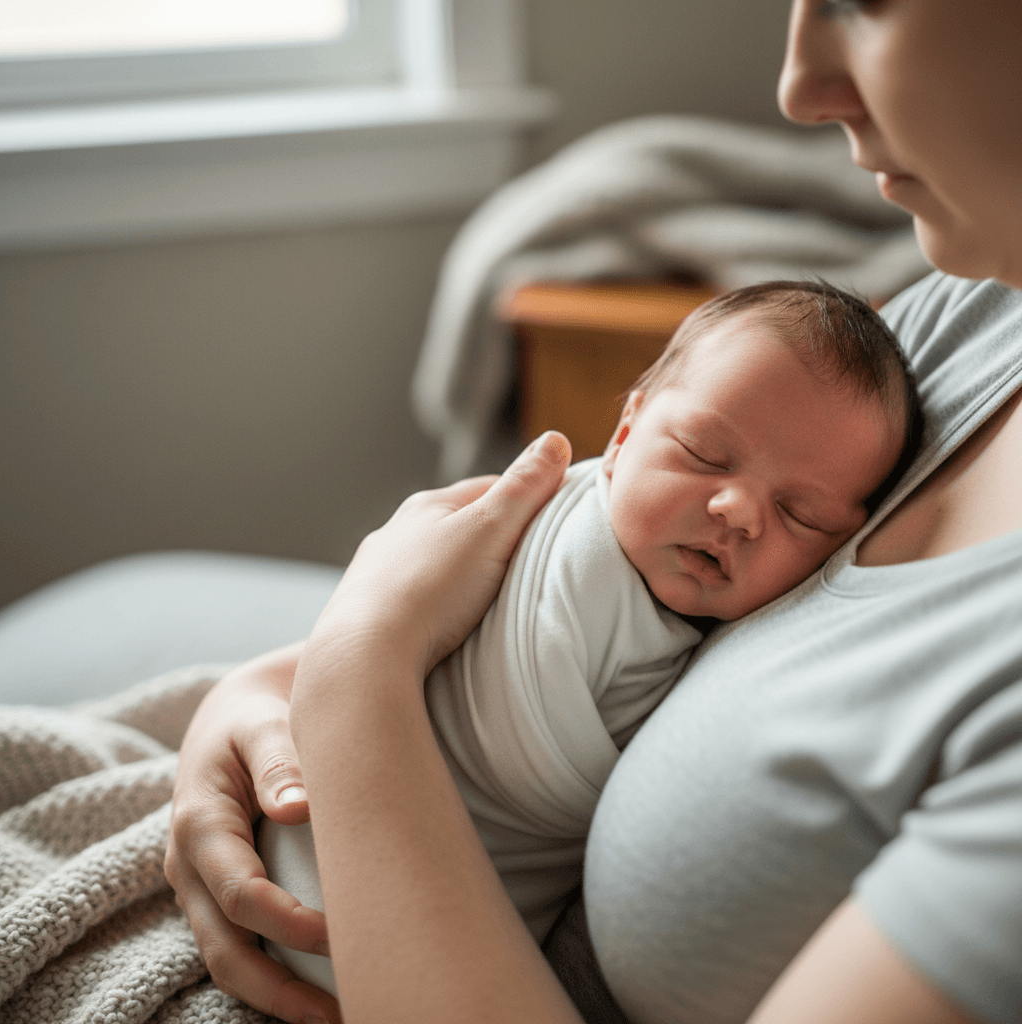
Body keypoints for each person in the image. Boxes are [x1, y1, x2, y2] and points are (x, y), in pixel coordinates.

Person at [164, 1, 1022, 1022]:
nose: (797, 85)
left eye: (862, 2)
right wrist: (263, 703)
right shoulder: (977, 297)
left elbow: (376, 667)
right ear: (624, 428)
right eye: (700, 452)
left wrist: (357, 682)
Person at [256, 279, 921, 997]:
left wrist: (350, 662)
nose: (737, 511)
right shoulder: (578, 550)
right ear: (625, 432)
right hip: (331, 891)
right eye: (702, 452)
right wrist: (268, 684)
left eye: (801, 514)